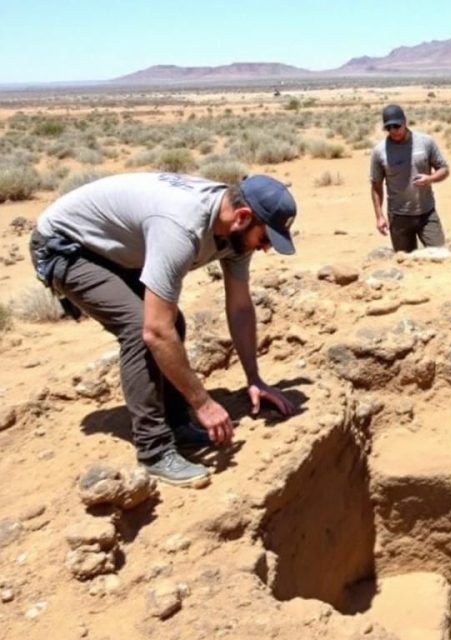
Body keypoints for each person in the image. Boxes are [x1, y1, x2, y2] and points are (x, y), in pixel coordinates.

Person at [29, 172, 298, 487]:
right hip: (68, 245)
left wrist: (255, 378)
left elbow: (239, 307)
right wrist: (203, 403)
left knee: (172, 322)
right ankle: (154, 451)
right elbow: (155, 332)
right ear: (242, 217)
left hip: (115, 245)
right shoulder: (180, 228)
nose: (266, 248)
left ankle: (177, 425)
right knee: (140, 328)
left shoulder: (237, 230)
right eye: (265, 239)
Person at [369, 104, 450, 252]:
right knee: (404, 260)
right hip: (398, 217)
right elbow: (376, 185)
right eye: (388, 128)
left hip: (427, 213)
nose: (393, 131)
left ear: (405, 122)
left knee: (440, 254)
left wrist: (430, 179)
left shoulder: (425, 142)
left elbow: (444, 169)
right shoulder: (379, 151)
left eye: (396, 126)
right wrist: (379, 216)